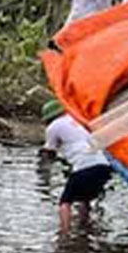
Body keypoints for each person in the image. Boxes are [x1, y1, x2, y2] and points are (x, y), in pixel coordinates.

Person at [40, 100, 112, 233]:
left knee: (65, 202)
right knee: (85, 199)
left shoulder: (53, 127)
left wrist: (46, 154)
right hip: (104, 165)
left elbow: (49, 151)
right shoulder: (79, 120)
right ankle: (85, 228)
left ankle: (64, 234)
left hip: (84, 165)